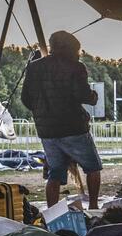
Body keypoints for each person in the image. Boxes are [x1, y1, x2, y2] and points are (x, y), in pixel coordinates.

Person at [21, 31, 103, 208]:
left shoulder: (34, 67)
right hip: (73, 127)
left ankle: (52, 210)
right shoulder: (75, 67)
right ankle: (94, 207)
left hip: (46, 131)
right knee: (93, 167)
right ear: (71, 48)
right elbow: (82, 94)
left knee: (55, 173)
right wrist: (93, 97)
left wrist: (42, 112)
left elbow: (26, 98)